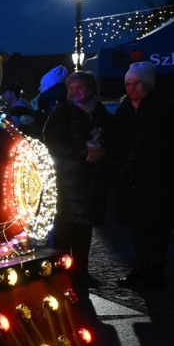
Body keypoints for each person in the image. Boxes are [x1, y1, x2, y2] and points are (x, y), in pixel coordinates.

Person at [110, 61, 174, 290]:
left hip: (158, 179)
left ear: (148, 84)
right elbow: (117, 143)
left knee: (157, 230)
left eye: (138, 83)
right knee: (137, 230)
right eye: (129, 83)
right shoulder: (124, 111)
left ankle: (155, 273)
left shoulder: (166, 110)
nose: (132, 88)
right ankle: (140, 270)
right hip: (133, 180)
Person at [42, 71, 112, 290]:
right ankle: (61, 273)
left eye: (79, 87)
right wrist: (83, 151)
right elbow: (52, 141)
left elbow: (113, 138)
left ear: (90, 89)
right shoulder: (61, 113)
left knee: (84, 227)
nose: (74, 91)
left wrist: (103, 152)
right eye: (71, 87)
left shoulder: (100, 113)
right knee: (64, 226)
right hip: (67, 179)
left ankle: (81, 271)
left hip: (92, 179)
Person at [33, 65, 68, 138]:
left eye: (43, 85)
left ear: (50, 86)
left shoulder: (52, 102)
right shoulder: (62, 98)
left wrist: (37, 112)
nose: (39, 88)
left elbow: (42, 130)